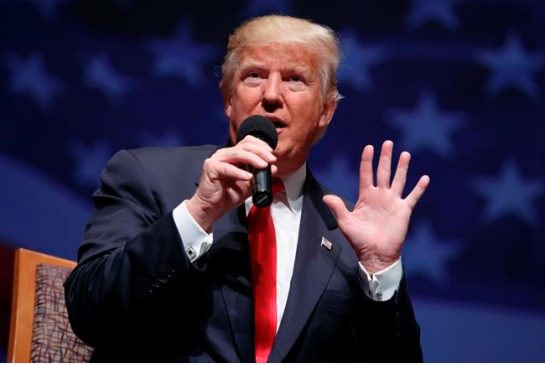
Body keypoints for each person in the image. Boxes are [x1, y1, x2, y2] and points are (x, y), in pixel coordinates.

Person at [64, 14, 430, 362]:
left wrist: (381, 270)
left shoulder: (350, 232)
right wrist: (197, 214)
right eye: (254, 76)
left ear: (325, 111)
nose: (271, 95)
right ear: (228, 99)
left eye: (295, 79)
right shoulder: (148, 176)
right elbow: (88, 310)